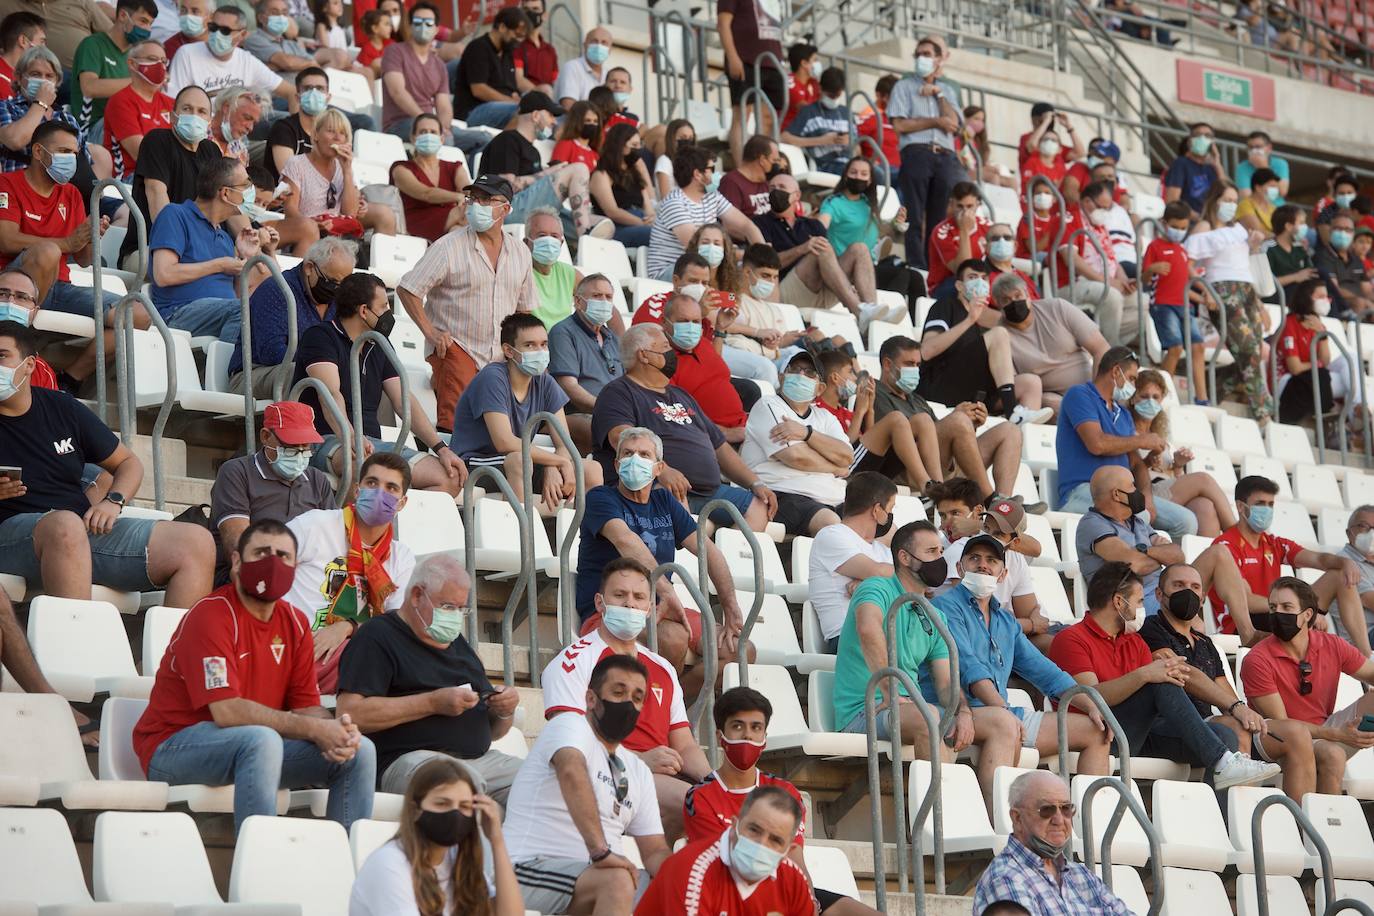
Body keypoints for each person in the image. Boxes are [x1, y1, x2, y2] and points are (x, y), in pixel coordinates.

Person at [132, 519, 374, 833]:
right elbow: (227, 711)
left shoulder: (296, 623)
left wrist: (334, 731)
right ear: (236, 562)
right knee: (261, 739)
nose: (272, 563)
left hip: (251, 749)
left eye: (283, 556)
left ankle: (347, 868)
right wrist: (312, 728)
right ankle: (261, 860)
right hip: (172, 749)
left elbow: (306, 706)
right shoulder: (210, 615)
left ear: (296, 565)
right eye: (261, 553)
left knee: (359, 752)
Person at [0, 320, 213, 603]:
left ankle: (178, 648)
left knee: (196, 542)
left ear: (29, 365)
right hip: (12, 537)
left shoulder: (62, 407)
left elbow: (128, 462)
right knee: (65, 525)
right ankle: (74, 644)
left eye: (2, 356)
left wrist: (113, 501)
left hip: (80, 534)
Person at [1050, 562, 1281, 786]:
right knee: (1159, 680)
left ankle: (1222, 817)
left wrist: (1149, 674)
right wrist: (1144, 675)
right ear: (1119, 602)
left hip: (1140, 733)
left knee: (1224, 735)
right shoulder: (1071, 639)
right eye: (1139, 601)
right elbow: (1092, 698)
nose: (1143, 608)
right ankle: (1224, 762)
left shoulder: (1135, 642)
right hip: (1097, 735)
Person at [932, 533, 1112, 804]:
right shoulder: (944, 607)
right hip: (957, 710)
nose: (983, 565)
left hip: (1000, 711)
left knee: (1095, 730)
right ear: (959, 568)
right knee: (1004, 724)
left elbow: (1047, 673)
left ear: (1003, 574)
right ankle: (1001, 831)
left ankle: (1091, 836)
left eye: (991, 560)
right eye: (975, 558)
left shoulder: (1006, 621)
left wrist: (1092, 705)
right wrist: (1003, 713)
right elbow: (968, 667)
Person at [544, 557, 711, 841]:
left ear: (649, 608)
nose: (630, 605)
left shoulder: (663, 668)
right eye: (619, 596)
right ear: (600, 603)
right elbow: (569, 746)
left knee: (724, 802)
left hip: (659, 777)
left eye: (639, 597)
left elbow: (684, 744)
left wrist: (713, 782)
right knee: (701, 807)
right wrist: (640, 761)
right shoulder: (574, 661)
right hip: (605, 776)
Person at [336, 555, 523, 800]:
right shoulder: (378, 636)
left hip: (479, 761)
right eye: (448, 606)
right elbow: (350, 714)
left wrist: (503, 709)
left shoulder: (459, 645)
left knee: (543, 782)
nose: (455, 616)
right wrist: (432, 703)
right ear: (416, 595)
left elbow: (495, 731)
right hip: (408, 762)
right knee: (459, 784)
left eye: (461, 609)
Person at [574, 429, 746, 683]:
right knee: (672, 639)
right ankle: (662, 709)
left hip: (658, 607)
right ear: (617, 464)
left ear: (659, 468)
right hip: (614, 609)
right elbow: (626, 541)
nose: (635, 460)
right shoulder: (601, 498)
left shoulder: (663, 500)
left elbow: (708, 551)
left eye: (644, 454)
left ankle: (675, 707)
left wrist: (731, 608)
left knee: (739, 650)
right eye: (628, 454)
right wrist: (666, 591)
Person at [505, 653, 671, 915]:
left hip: (597, 879)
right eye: (618, 692)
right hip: (527, 870)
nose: (628, 703)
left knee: (676, 893)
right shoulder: (569, 725)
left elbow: (653, 851)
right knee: (617, 880)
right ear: (591, 699)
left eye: (637, 698)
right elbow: (571, 770)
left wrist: (685, 878)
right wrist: (600, 852)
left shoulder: (638, 769)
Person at [1141, 563, 1317, 801]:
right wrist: (1237, 709)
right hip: (1168, 726)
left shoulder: (1205, 642)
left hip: (1208, 723)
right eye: (1178, 585)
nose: (1188, 593)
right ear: (1160, 594)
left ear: (1202, 599)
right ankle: (1236, 822)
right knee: (1232, 727)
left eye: (1195, 587)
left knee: (1296, 734)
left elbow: (1227, 697)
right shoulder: (1151, 630)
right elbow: (1183, 673)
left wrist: (1242, 711)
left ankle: (1300, 828)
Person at [591, 323, 777, 533]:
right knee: (672, 501)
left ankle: (725, 562)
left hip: (708, 491)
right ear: (644, 355)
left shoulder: (681, 395)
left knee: (759, 505)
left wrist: (755, 484)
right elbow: (622, 438)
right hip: (658, 487)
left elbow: (720, 448)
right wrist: (662, 471)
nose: (672, 353)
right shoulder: (618, 392)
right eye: (665, 348)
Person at [293, 273, 463, 495]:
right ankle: (350, 528)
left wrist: (440, 448)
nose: (388, 314)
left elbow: (404, 401)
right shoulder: (321, 336)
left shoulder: (379, 344)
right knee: (363, 470)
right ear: (364, 311)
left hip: (372, 444)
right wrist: (351, 437)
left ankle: (391, 526)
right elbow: (330, 396)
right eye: (383, 306)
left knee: (449, 478)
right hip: (324, 438)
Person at [832, 520, 983, 757]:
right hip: (865, 711)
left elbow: (944, 684)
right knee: (927, 715)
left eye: (941, 552)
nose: (940, 560)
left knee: (1000, 722)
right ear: (904, 557)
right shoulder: (876, 587)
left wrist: (962, 712)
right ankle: (940, 794)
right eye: (931, 551)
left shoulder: (936, 615)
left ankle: (986, 795)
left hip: (910, 710)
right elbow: (868, 629)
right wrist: (889, 689)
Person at [397, 174, 534, 432]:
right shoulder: (448, 246)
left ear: (505, 208)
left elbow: (524, 311)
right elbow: (407, 289)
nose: (476, 204)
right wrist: (430, 332)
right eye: (473, 198)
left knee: (501, 430)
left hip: (500, 356)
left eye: (486, 199)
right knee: (457, 426)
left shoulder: (520, 252)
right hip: (456, 347)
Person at [0, 119, 126, 392]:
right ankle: (20, 345)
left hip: (60, 285)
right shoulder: (7, 183)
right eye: (63, 151)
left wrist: (92, 236)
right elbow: (6, 238)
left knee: (135, 313)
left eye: (74, 153)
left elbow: (83, 259)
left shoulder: (71, 194)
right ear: (38, 152)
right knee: (48, 251)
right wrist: (65, 242)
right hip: (11, 283)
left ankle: (70, 379)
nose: (71, 159)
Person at [284, 451, 415, 690]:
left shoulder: (401, 557)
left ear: (402, 503)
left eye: (391, 488)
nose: (379, 494)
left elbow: (397, 626)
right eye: (372, 483)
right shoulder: (315, 524)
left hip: (350, 655)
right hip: (294, 649)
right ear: (358, 489)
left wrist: (346, 627)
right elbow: (265, 571)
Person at [1208, 474, 1371, 654]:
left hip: (1281, 613)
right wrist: (1297, 609)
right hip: (1244, 623)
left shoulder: (1274, 543)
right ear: (1240, 506)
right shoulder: (1226, 545)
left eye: (1271, 505)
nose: (1267, 510)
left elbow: (1318, 559)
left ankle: (1366, 656)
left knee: (1340, 576)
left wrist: (1344, 561)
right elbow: (1249, 601)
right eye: (1260, 504)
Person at [1241, 576, 1374, 795]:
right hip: (1279, 738)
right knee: (1332, 754)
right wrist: (1337, 735)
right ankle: (1320, 825)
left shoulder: (1332, 644)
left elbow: (1369, 672)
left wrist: (1336, 733)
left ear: (1308, 615)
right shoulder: (1257, 659)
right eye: (1273, 607)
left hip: (1324, 729)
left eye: (1287, 607)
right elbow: (1286, 727)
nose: (1277, 614)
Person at [451, 311, 600, 506]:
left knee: (592, 469)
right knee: (520, 460)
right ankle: (519, 533)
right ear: (509, 350)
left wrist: (552, 466)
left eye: (543, 344)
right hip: (475, 463)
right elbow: (504, 442)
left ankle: (585, 534)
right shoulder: (492, 378)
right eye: (530, 345)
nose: (539, 351)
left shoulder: (546, 382)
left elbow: (564, 443)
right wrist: (556, 461)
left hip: (519, 462)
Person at [349, 756, 524, 916]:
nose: (454, 813)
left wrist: (497, 841)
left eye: (464, 806)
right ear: (415, 809)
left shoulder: (457, 859)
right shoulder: (390, 864)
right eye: (442, 803)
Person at [874, 334, 1023, 501]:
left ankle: (1004, 500)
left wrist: (971, 424)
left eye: (918, 365)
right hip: (907, 470)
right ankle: (991, 500)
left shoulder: (916, 399)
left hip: (942, 468)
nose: (915, 370)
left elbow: (935, 438)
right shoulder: (875, 393)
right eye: (909, 364)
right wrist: (957, 419)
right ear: (887, 364)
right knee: (957, 421)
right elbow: (895, 439)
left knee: (1010, 430)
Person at [973, 771, 1133, 915]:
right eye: (1046, 810)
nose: (1059, 820)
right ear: (1017, 818)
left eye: (1066, 809)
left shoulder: (1080, 874)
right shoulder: (1006, 878)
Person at [639, 785, 814, 916]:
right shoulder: (692, 871)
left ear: (788, 850)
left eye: (775, 840)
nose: (762, 844)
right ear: (734, 825)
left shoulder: (794, 881)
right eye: (754, 830)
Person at [148, 155, 271, 340]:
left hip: (222, 313)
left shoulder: (225, 237)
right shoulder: (175, 215)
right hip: (177, 314)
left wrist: (244, 259)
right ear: (225, 193)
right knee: (245, 309)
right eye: (246, 185)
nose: (250, 191)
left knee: (272, 312)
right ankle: (232, 369)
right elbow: (163, 275)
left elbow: (236, 295)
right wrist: (220, 265)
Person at [209, 400, 333, 583]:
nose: (299, 454)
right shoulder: (237, 472)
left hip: (308, 581)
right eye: (290, 447)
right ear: (266, 437)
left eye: (305, 447)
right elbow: (238, 544)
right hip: (250, 578)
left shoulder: (317, 479)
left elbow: (332, 540)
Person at [920, 259, 1053, 427]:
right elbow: (926, 351)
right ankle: (1012, 411)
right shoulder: (946, 306)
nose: (979, 282)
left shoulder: (985, 317)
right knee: (999, 334)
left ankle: (1020, 443)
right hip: (939, 385)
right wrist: (969, 320)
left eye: (984, 278)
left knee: (1030, 383)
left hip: (973, 390)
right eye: (973, 277)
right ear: (960, 286)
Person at [757, 172, 895, 330]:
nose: (776, 191)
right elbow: (764, 265)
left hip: (822, 287)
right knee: (819, 249)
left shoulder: (812, 225)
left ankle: (871, 316)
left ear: (797, 195)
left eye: (781, 187)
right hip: (784, 291)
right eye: (772, 188)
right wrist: (802, 249)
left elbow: (830, 262)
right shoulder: (760, 223)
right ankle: (860, 311)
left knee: (860, 249)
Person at [739, 349, 852, 534]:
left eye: (809, 373)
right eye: (795, 369)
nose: (801, 375)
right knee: (831, 524)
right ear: (782, 377)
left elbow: (847, 456)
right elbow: (795, 456)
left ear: (820, 388)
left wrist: (807, 434)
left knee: (879, 526)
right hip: (782, 494)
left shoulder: (825, 417)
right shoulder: (768, 405)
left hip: (833, 497)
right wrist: (834, 467)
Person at [229, 236, 353, 396]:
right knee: (307, 375)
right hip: (252, 374)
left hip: (308, 369)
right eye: (332, 281)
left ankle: (368, 422)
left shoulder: (336, 299)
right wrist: (321, 362)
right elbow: (272, 353)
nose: (338, 289)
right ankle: (309, 422)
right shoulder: (276, 289)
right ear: (309, 268)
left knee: (363, 375)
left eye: (343, 284)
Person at [119, 84, 220, 268]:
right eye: (187, 109)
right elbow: (158, 198)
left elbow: (223, 203)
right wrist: (187, 250)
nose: (194, 116)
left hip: (199, 254)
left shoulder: (211, 151)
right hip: (149, 250)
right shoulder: (157, 140)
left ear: (209, 121)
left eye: (202, 111)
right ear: (173, 115)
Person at [480, 90, 607, 236]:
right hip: (506, 210)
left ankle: (584, 238)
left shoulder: (533, 151)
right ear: (535, 115)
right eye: (551, 115)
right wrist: (548, 172)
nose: (554, 122)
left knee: (601, 224)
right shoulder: (507, 140)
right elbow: (506, 189)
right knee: (579, 169)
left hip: (528, 209)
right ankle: (584, 234)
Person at [1128, 370, 1236, 537]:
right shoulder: (1126, 432)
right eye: (1144, 396)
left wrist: (1178, 465)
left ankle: (1205, 560)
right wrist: (1149, 461)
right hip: (1144, 492)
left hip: (1167, 493)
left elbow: (1175, 479)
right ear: (1133, 398)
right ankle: (1238, 537)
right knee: (1203, 479)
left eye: (1155, 397)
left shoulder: (1162, 437)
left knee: (1205, 506)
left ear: (1162, 399)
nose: (1150, 401)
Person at [941, 495, 1054, 653]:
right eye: (986, 529)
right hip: (968, 640)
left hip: (1004, 634)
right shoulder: (961, 551)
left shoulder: (1015, 557)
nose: (989, 537)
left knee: (1063, 644)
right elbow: (974, 619)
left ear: (1015, 542)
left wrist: (1031, 623)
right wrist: (1029, 624)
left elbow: (1031, 614)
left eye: (999, 534)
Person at [888, 36, 962, 268]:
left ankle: (935, 268)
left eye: (928, 54)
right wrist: (935, 121)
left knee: (939, 218)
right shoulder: (903, 86)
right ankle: (918, 268)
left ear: (939, 60)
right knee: (915, 215)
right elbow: (900, 125)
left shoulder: (947, 90)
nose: (922, 58)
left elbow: (954, 124)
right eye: (919, 54)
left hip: (945, 156)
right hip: (916, 152)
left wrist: (938, 95)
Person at [992, 271, 1107, 417]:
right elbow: (1011, 383)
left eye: (1017, 295)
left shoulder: (1057, 308)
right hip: (1052, 397)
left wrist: (1098, 394)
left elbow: (1101, 348)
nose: (1014, 302)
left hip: (1091, 385)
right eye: (1006, 300)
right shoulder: (1000, 336)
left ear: (1027, 294)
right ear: (998, 305)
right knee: (1055, 406)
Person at [808, 473, 898, 652]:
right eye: (890, 509)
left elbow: (908, 586)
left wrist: (869, 583)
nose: (890, 516)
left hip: (885, 635)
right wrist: (877, 580)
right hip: (848, 636)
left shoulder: (882, 551)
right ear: (877, 510)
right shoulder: (832, 535)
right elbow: (883, 573)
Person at [648, 143, 763, 281]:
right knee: (715, 269)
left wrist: (762, 254)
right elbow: (696, 247)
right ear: (697, 174)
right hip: (671, 272)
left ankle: (734, 302)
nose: (716, 174)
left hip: (703, 265)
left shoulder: (712, 196)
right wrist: (745, 256)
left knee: (759, 272)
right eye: (712, 169)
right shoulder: (674, 202)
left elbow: (746, 225)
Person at [281, 107, 396, 238]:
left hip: (335, 233)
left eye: (342, 133)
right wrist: (312, 224)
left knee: (385, 213)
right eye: (330, 131)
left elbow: (351, 214)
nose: (337, 137)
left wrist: (347, 170)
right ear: (316, 135)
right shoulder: (296, 164)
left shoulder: (343, 167)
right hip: (305, 231)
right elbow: (290, 211)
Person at [1055, 180, 1138, 348]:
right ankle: (1110, 349)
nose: (1105, 212)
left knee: (1140, 301)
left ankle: (1107, 341)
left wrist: (1123, 280)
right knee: (1111, 295)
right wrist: (1107, 282)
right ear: (1086, 202)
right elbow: (1072, 259)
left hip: (1101, 283)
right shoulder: (1069, 219)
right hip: (1071, 285)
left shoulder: (1100, 226)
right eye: (1102, 207)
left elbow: (1112, 259)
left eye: (1108, 208)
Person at [1142, 200, 1208, 403]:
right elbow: (1144, 279)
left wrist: (1204, 298)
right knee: (1175, 348)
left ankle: (1202, 398)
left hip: (1183, 306)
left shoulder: (1182, 250)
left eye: (1183, 228)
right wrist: (1152, 269)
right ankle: (1160, 395)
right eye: (1175, 227)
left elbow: (1183, 286)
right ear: (1164, 223)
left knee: (1198, 347)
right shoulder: (1155, 246)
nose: (1179, 231)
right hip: (1163, 305)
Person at [166, 5, 293, 105]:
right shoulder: (186, 54)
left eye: (225, 31)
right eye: (213, 27)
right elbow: (172, 101)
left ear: (242, 35)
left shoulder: (246, 60)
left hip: (239, 126)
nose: (217, 34)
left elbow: (291, 92)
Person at [70, 0, 155, 134]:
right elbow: (89, 87)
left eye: (151, 24)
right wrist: (139, 81)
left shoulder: (136, 56)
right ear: (122, 15)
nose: (148, 29)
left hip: (123, 123)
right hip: (90, 128)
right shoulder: (92, 44)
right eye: (143, 21)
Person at [717, 0, 783, 163]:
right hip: (745, 58)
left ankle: (766, 164)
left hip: (772, 61)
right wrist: (732, 57)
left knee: (769, 117)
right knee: (742, 115)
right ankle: (742, 167)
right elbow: (723, 24)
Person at [390, 111, 470, 243]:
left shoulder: (454, 168)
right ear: (413, 137)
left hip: (453, 221)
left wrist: (468, 199)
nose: (428, 135)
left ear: (442, 138)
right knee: (465, 214)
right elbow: (425, 193)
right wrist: (457, 197)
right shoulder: (400, 169)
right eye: (423, 132)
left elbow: (468, 191)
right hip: (417, 223)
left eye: (433, 132)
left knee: (457, 231)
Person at [99, 37, 170, 180]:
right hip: (131, 179)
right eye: (152, 59)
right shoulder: (120, 101)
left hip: (166, 176)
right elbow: (141, 155)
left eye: (163, 61)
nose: (160, 65)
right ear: (132, 64)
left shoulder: (171, 103)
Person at [379, 1, 451, 140]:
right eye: (418, 22)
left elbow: (444, 106)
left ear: (436, 29)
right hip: (399, 124)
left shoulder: (439, 65)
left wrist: (442, 127)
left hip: (431, 126)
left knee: (481, 139)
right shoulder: (394, 51)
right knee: (446, 140)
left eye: (428, 23)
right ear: (410, 26)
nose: (423, 26)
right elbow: (397, 92)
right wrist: (425, 121)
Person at [453, 7, 527, 129]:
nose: (518, 41)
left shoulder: (507, 53)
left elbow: (510, 87)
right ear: (502, 27)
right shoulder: (478, 47)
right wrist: (510, 101)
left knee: (536, 105)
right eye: (517, 34)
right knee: (523, 111)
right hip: (473, 111)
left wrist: (515, 96)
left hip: (501, 108)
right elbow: (478, 89)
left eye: (522, 37)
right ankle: (504, 146)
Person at [242, 0, 350, 78]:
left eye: (284, 13)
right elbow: (288, 63)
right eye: (274, 12)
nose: (281, 17)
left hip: (302, 94)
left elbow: (315, 66)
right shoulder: (254, 39)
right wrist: (300, 64)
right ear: (261, 17)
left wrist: (278, 66)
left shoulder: (290, 43)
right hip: (281, 100)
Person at [590, 121, 654, 248]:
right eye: (634, 145)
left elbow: (648, 206)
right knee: (657, 234)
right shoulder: (601, 175)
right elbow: (612, 211)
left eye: (640, 145)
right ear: (620, 146)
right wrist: (641, 223)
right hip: (617, 228)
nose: (638, 150)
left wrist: (651, 218)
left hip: (641, 221)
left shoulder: (634, 173)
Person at [780, 66, 849, 176]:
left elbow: (858, 149)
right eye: (830, 95)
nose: (833, 98)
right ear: (820, 89)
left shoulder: (847, 113)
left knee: (877, 173)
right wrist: (822, 140)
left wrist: (849, 141)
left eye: (837, 95)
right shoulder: (809, 112)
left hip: (848, 164)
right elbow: (784, 137)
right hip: (824, 166)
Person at [265, 66, 326, 182]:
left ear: (328, 97)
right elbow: (291, 179)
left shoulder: (330, 133)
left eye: (320, 88)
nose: (314, 93)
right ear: (297, 97)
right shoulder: (283, 129)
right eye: (307, 88)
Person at [524, 206, 579, 328]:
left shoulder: (569, 273)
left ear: (561, 243)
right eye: (542, 235)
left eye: (554, 236)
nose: (548, 241)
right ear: (526, 242)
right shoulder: (520, 273)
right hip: (535, 344)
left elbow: (600, 298)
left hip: (564, 342)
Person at [1315, 209, 1374, 321]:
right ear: (1330, 231)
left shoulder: (1357, 260)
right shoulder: (1323, 256)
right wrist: (1364, 300)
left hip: (1361, 304)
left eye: (1347, 230)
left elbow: (1367, 290)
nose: (1343, 233)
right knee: (1360, 303)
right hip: (1338, 305)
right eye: (1338, 228)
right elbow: (1335, 289)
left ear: (1353, 234)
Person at [1164, 123, 1226, 218]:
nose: (1202, 138)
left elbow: (1226, 193)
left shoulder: (1212, 168)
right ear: (1189, 142)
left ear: (1213, 143)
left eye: (1207, 136)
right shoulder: (1181, 163)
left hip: (1210, 222)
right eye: (1198, 135)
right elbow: (1173, 201)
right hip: (1188, 222)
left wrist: (1217, 164)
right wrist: (1199, 218)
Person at [1267, 203, 1318, 305]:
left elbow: (1311, 274)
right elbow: (1268, 283)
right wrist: (1296, 277)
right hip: (1279, 297)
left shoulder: (1299, 248)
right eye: (1301, 223)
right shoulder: (1269, 248)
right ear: (1289, 226)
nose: (1305, 227)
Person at [719, 133, 779, 218]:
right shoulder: (731, 182)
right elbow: (731, 221)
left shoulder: (766, 182)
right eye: (774, 160)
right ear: (762, 160)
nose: (776, 165)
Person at [552, 25, 611, 110]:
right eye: (594, 41)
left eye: (604, 42)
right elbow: (568, 106)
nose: (599, 46)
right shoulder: (572, 67)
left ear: (610, 49)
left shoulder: (609, 74)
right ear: (585, 45)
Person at [983, 222, 1039, 298]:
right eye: (995, 238)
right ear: (986, 247)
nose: (1002, 241)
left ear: (1015, 246)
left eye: (1007, 238)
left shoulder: (1023, 276)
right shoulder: (981, 277)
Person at [512, 0, 555, 96]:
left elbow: (555, 81)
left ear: (544, 15)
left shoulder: (550, 50)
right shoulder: (515, 45)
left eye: (535, 9)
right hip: (525, 99)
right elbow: (518, 80)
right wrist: (542, 94)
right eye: (526, 9)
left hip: (548, 99)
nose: (530, 13)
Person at [1234, 129, 1290, 202]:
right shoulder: (1242, 168)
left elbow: (1283, 191)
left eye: (1258, 147)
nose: (1254, 150)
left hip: (1278, 210)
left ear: (1269, 148)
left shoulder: (1280, 164)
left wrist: (1263, 167)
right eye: (1250, 147)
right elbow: (1246, 197)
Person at [0, 12, 45, 101]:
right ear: (23, 41)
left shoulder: (23, 78)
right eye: (41, 41)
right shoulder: (2, 82)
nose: (45, 48)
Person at [550, 100, 600, 171]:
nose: (592, 125)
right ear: (577, 122)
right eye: (587, 120)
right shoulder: (565, 145)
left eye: (595, 121)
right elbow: (555, 173)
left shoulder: (595, 154)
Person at [653, 118, 694, 199]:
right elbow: (665, 197)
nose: (687, 142)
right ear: (672, 138)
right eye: (683, 137)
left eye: (690, 139)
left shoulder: (692, 162)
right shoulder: (664, 161)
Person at [1236, 167, 1280, 237]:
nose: (1275, 190)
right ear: (1258, 187)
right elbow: (1258, 232)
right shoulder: (1245, 205)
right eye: (1272, 186)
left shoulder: (1273, 208)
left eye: (1276, 187)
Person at [353, 8, 391, 78]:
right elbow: (367, 73)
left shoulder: (390, 44)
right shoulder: (367, 49)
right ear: (375, 29)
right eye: (386, 24)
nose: (390, 27)